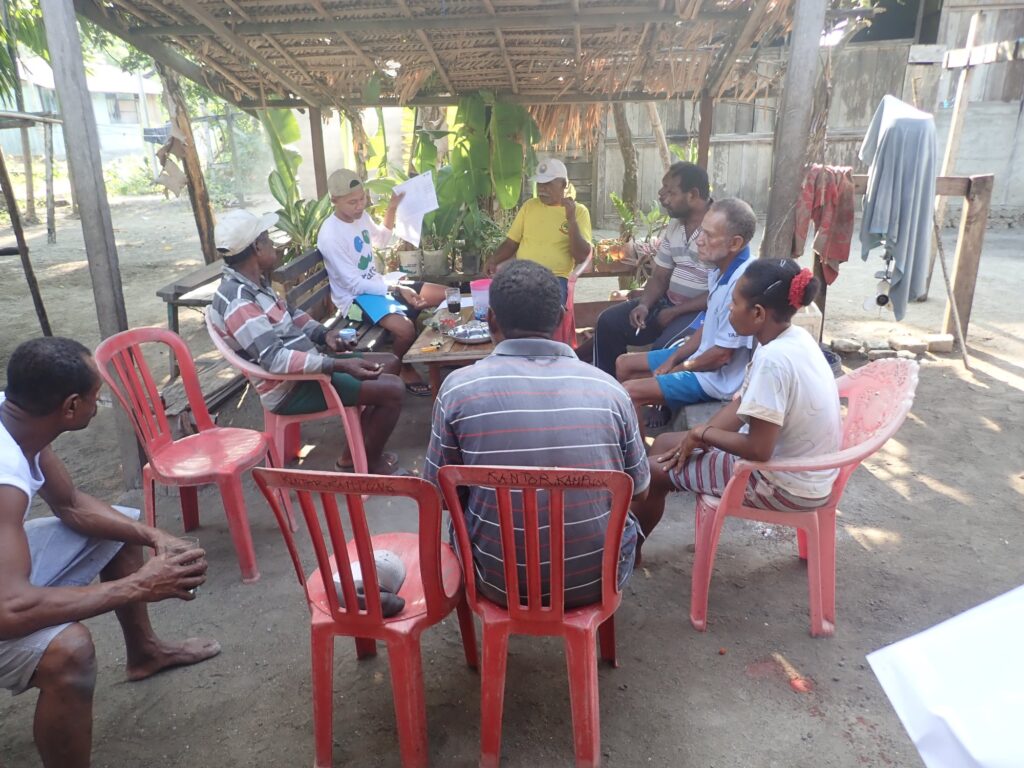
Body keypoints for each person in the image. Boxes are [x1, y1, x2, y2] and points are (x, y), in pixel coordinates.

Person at [0, 337, 221, 768]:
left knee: (117, 528)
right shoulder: (4, 482)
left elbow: (71, 505)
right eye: (95, 398)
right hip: (5, 600)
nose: (97, 406)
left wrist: (152, 536)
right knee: (70, 651)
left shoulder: (18, 421)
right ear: (70, 408)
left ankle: (145, 653)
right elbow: (9, 610)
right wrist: (141, 584)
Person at [424, 260, 649, 608]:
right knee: (623, 518)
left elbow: (439, 497)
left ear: (491, 319)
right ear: (561, 318)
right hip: (597, 581)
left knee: (466, 512)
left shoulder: (457, 390)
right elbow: (641, 489)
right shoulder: (610, 392)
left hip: (495, 581)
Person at [630, 259, 842, 549]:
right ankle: (634, 541)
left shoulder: (773, 360)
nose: (728, 309)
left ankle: (628, 550)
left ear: (757, 313)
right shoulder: (794, 338)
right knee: (667, 442)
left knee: (652, 473)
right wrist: (698, 436)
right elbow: (741, 406)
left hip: (782, 485)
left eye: (734, 303)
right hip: (806, 471)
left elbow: (759, 449)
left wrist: (702, 434)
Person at [209, 209, 406, 475]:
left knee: (390, 364)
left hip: (307, 371)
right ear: (256, 247)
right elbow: (275, 360)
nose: (274, 246)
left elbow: (289, 313)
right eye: (268, 240)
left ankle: (355, 451)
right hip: (292, 387)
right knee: (393, 390)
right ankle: (367, 461)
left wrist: (324, 335)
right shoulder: (239, 301)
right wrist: (335, 365)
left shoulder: (252, 283)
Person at [616, 198, 757, 434]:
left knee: (630, 391)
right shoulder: (719, 270)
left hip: (717, 379)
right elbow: (709, 329)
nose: (699, 241)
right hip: (704, 359)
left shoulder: (744, 283)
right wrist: (674, 359)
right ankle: (631, 437)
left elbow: (721, 356)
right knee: (623, 364)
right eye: (702, 231)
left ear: (735, 243)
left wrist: (681, 367)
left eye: (710, 236)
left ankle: (638, 463)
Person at [317, 168, 446, 396]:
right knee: (405, 330)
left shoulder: (361, 217)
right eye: (352, 202)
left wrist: (393, 207)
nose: (359, 206)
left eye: (362, 198)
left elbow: (382, 240)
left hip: (380, 286)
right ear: (334, 201)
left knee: (447, 294)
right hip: (355, 300)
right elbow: (354, 285)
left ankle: (446, 356)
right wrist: (397, 288)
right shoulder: (330, 235)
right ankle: (399, 369)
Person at [591, 162, 713, 393]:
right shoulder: (676, 226)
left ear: (693, 194)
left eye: (670, 192)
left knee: (663, 348)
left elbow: (721, 291)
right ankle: (606, 390)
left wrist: (676, 312)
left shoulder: (720, 226)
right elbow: (660, 276)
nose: (662, 197)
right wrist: (645, 305)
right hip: (669, 303)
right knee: (608, 323)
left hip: (700, 313)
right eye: (662, 190)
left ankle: (655, 408)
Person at [483, 158, 592, 305]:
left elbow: (581, 256)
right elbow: (511, 242)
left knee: (542, 312)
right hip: (522, 273)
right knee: (501, 304)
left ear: (563, 185)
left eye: (548, 184)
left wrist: (571, 220)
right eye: (540, 184)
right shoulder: (529, 206)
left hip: (554, 278)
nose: (542, 189)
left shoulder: (579, 211)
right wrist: (493, 260)